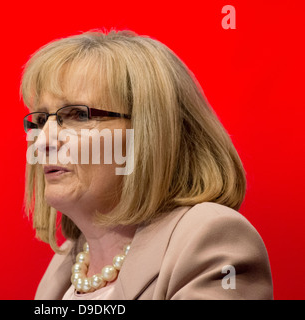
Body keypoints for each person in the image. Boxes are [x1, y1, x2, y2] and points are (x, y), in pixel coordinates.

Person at [20, 30, 273, 299]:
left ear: (149, 133)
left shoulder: (210, 238)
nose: (42, 140)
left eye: (78, 115)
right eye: (39, 120)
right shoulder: (67, 260)